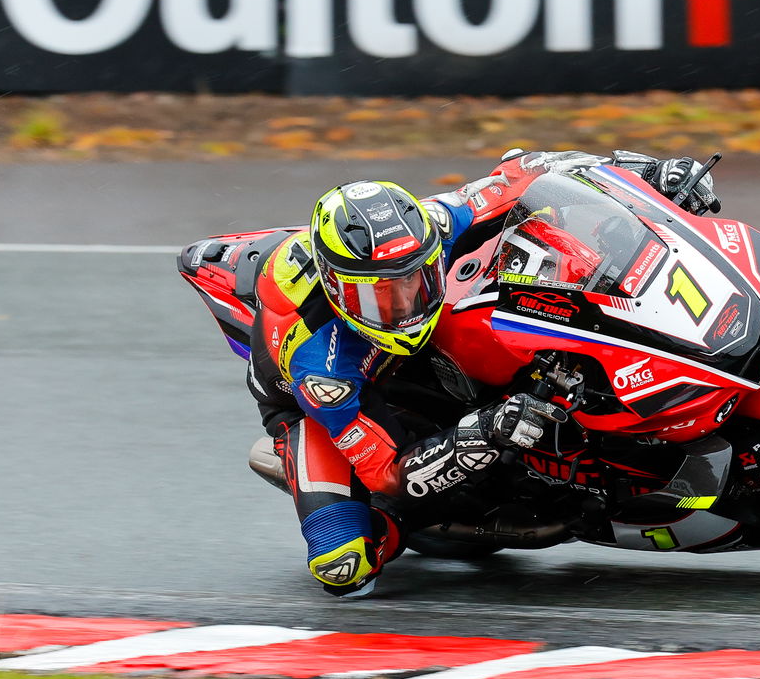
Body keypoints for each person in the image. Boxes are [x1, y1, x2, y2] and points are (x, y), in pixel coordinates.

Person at [242, 149, 720, 597]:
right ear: (336, 288)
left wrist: (649, 174)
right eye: (377, 297)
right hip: (321, 407)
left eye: (417, 279)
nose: (403, 305)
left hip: (417, 352)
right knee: (344, 563)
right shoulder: (322, 369)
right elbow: (389, 473)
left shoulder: (434, 223)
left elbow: (530, 171)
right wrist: (483, 431)